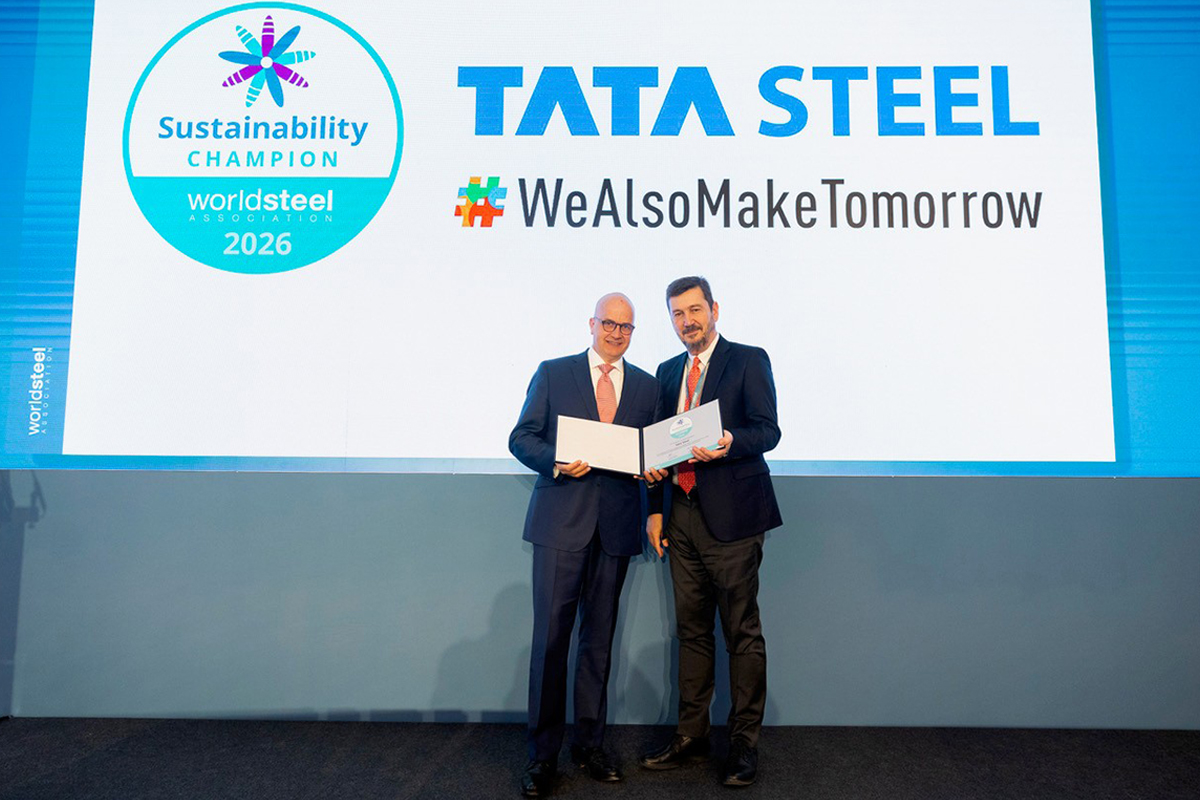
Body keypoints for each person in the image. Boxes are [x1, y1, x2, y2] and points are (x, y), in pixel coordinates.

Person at [509, 293, 659, 798]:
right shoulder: (554, 373)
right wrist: (555, 461)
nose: (617, 333)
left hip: (616, 528)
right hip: (560, 527)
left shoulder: (647, 386)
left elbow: (651, 454)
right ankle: (542, 756)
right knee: (551, 644)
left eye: (626, 327)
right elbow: (521, 438)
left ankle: (590, 745)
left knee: (598, 643)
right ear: (592, 323)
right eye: (609, 323)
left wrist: (653, 470)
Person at [639, 276, 782, 787]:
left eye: (695, 310)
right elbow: (657, 446)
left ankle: (743, 745)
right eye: (678, 314)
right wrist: (654, 509)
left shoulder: (748, 360)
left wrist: (729, 441)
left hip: (733, 518)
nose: (688, 321)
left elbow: (768, 430)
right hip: (680, 515)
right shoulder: (666, 371)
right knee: (692, 631)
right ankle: (691, 735)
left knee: (741, 633)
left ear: (714, 309)